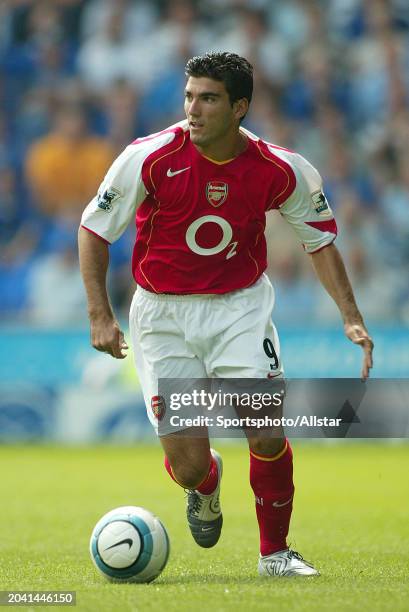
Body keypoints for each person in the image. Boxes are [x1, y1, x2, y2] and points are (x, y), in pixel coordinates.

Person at [78, 52, 373, 577]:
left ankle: (275, 555)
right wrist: (100, 314)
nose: (194, 109)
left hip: (240, 308)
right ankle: (206, 485)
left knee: (265, 430)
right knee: (189, 465)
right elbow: (94, 229)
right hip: (162, 316)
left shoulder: (280, 168)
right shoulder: (148, 158)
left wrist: (350, 316)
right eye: (189, 96)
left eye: (208, 98)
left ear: (239, 107)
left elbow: (320, 241)